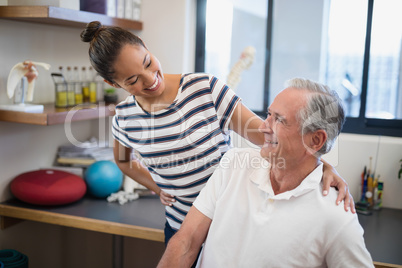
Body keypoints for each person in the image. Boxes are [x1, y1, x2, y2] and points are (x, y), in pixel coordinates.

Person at [80, 21, 354, 244]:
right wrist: (156, 186)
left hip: (229, 224)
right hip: (179, 227)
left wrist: (320, 164)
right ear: (111, 83)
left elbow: (266, 134)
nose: (151, 79)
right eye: (132, 80)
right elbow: (123, 161)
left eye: (148, 62)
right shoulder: (125, 118)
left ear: (147, 48)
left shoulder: (204, 88)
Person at [157, 78, 374, 268]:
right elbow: (186, 242)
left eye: (279, 120)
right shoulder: (234, 164)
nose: (263, 127)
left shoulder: (336, 216)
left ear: (315, 140)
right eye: (269, 115)